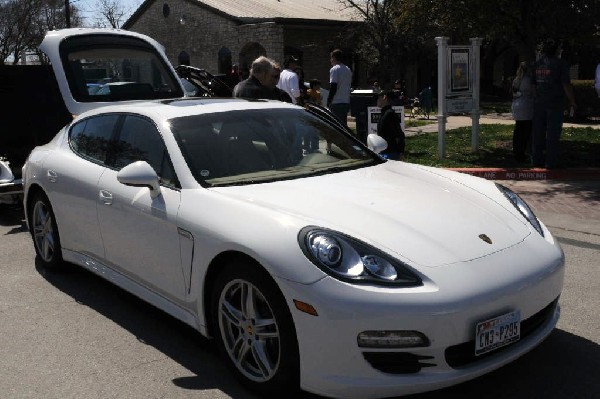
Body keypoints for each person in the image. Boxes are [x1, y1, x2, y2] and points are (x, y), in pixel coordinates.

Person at [532, 39, 577, 169]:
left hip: (539, 103)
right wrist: (573, 102)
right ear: (557, 50)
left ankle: (536, 160)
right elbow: (566, 85)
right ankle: (551, 162)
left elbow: (533, 85)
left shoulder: (537, 64)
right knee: (552, 134)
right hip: (555, 103)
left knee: (538, 133)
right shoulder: (561, 64)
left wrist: (537, 98)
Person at [510, 62, 535, 163]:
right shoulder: (529, 80)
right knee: (526, 132)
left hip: (517, 105)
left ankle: (516, 152)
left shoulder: (516, 80)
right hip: (527, 106)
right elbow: (533, 92)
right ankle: (524, 153)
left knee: (518, 130)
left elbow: (513, 92)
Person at [376, 90, 405, 161]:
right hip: (383, 152)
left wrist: (401, 152)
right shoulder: (384, 113)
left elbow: (399, 134)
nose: (377, 100)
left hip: (390, 153)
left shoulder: (389, 114)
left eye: (378, 98)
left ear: (384, 97)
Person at [327, 49, 353, 128]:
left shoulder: (334, 69)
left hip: (336, 102)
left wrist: (329, 100)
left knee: (336, 126)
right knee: (343, 125)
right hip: (346, 101)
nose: (330, 60)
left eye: (331, 58)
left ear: (334, 58)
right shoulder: (348, 69)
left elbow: (333, 86)